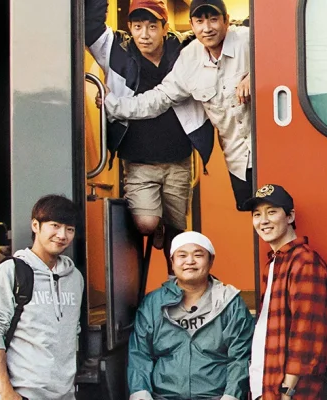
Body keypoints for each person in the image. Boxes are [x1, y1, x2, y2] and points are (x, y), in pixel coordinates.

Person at [85, 0, 215, 277]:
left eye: (152, 27)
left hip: (178, 158)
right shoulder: (116, 50)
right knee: (146, 223)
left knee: (177, 228)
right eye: (137, 26)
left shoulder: (185, 49)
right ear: (129, 27)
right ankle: (156, 226)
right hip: (139, 161)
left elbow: (226, 38)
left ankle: (175, 283)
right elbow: (91, 26)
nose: (144, 34)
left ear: (165, 28)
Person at [102, 0, 254, 211]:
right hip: (238, 157)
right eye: (199, 21)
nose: (207, 28)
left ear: (226, 21)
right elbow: (160, 98)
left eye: (213, 20)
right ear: (192, 25)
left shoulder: (248, 39)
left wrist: (256, 75)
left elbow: (286, 49)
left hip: (271, 148)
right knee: (255, 213)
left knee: (278, 208)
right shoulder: (189, 58)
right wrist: (112, 104)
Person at [0, 195, 84, 400]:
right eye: (55, 226)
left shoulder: (74, 278)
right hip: (22, 394)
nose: (62, 235)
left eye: (69, 229)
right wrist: (6, 392)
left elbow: (73, 333)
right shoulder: (9, 272)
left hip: (65, 395)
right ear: (36, 225)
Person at [127, 231, 254, 400]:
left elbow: (240, 357)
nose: (190, 261)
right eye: (182, 255)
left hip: (216, 397)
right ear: (172, 262)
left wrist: (231, 395)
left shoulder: (229, 302)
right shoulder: (153, 303)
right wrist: (140, 392)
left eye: (198, 255)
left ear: (211, 261)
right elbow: (140, 353)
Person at [244, 184, 327, 400]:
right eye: (257, 214)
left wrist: (287, 390)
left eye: (271, 212)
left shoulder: (305, 262)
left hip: (287, 392)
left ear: (290, 216)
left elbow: (306, 331)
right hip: (266, 385)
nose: (263, 221)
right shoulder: (274, 262)